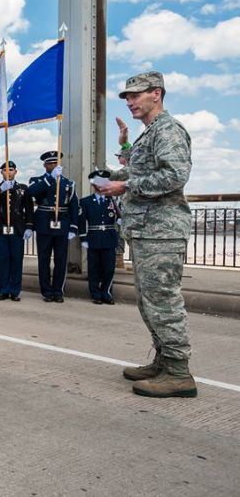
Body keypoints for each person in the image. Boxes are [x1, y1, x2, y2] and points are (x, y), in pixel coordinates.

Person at [97, 70, 196, 398]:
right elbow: (139, 170)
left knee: (163, 300)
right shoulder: (150, 132)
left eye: (136, 95)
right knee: (149, 301)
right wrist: (111, 177)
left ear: (157, 93)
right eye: (127, 97)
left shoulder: (168, 130)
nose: (129, 101)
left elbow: (175, 175)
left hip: (162, 231)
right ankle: (164, 361)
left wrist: (125, 186)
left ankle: (179, 373)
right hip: (145, 230)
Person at [28, 151, 79, 302]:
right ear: (45, 165)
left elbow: (74, 206)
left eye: (56, 163)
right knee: (43, 259)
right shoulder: (38, 180)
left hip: (62, 224)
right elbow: (31, 192)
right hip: (44, 224)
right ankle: (46, 291)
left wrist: (73, 226)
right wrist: (50, 179)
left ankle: (58, 291)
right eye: (51, 163)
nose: (54, 165)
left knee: (61, 260)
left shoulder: (68, 183)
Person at [0, 161, 34, 302]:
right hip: (0, 230)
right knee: (2, 261)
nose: (8, 172)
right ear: (1, 172)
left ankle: (15, 291)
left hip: (17, 230)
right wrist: (1, 190)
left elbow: (29, 209)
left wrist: (29, 227)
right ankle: (3, 291)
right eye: (5, 170)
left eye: (11, 170)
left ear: (16, 172)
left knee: (17, 261)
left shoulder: (22, 188)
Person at [79, 170, 120, 305]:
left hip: (109, 237)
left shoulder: (113, 201)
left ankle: (106, 293)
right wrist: (83, 238)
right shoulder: (85, 202)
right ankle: (95, 294)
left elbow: (120, 216)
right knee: (94, 268)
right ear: (93, 184)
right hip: (94, 237)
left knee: (109, 268)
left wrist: (121, 219)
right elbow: (82, 221)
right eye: (98, 182)